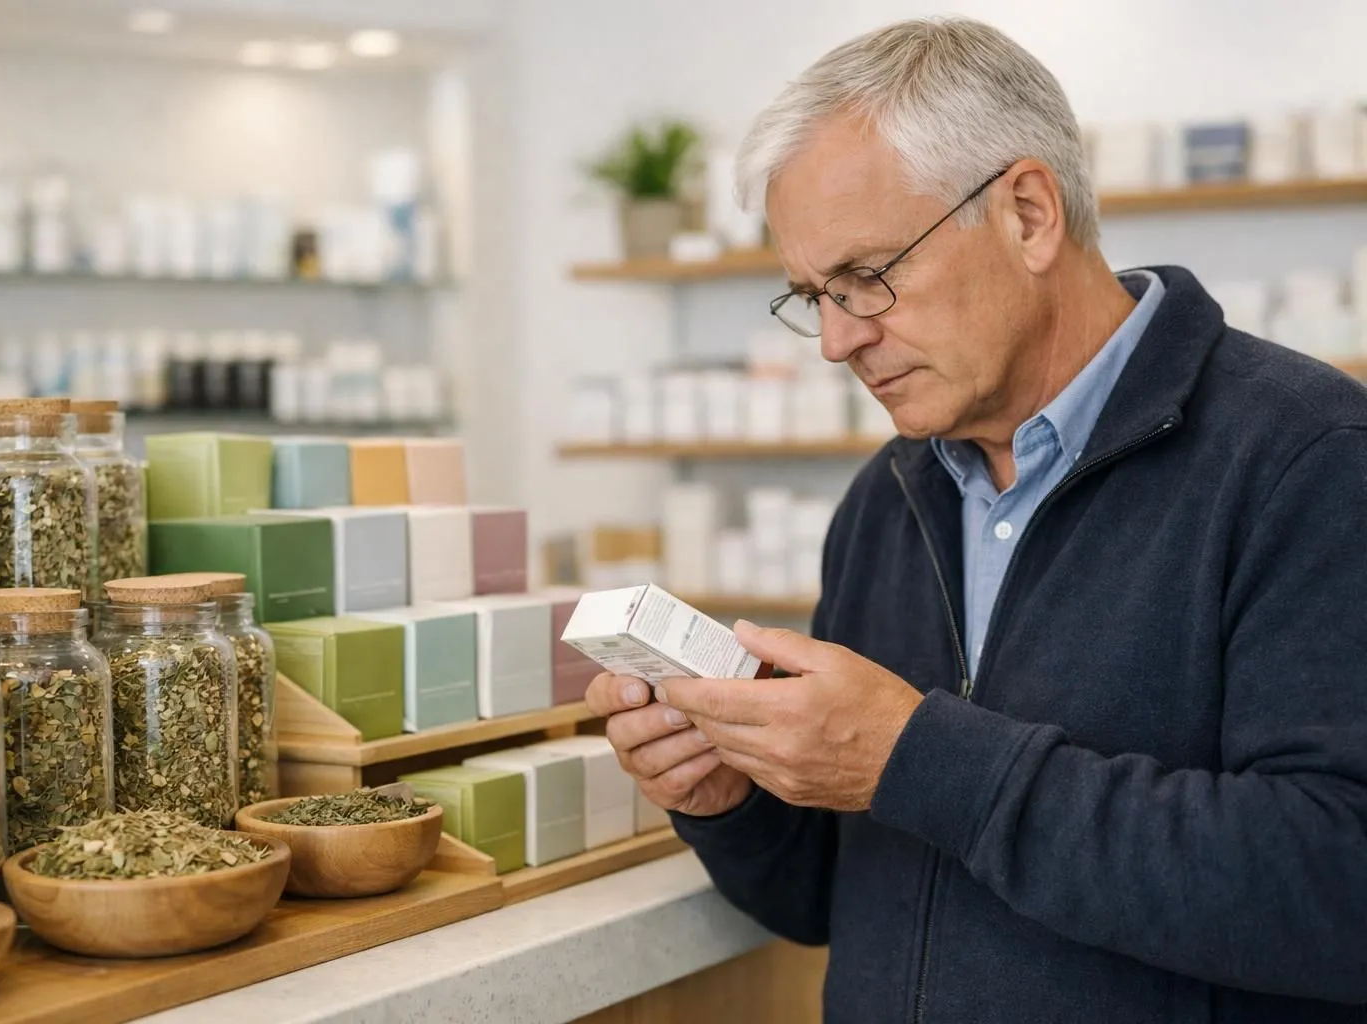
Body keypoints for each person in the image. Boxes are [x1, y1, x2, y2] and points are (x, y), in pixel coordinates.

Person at [586, 17, 1367, 1024]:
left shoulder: (1308, 458)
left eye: (867, 275)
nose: (835, 340)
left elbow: (1339, 883)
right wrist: (728, 804)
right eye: (811, 296)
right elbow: (841, 897)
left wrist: (920, 757)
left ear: (1030, 214)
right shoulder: (890, 496)